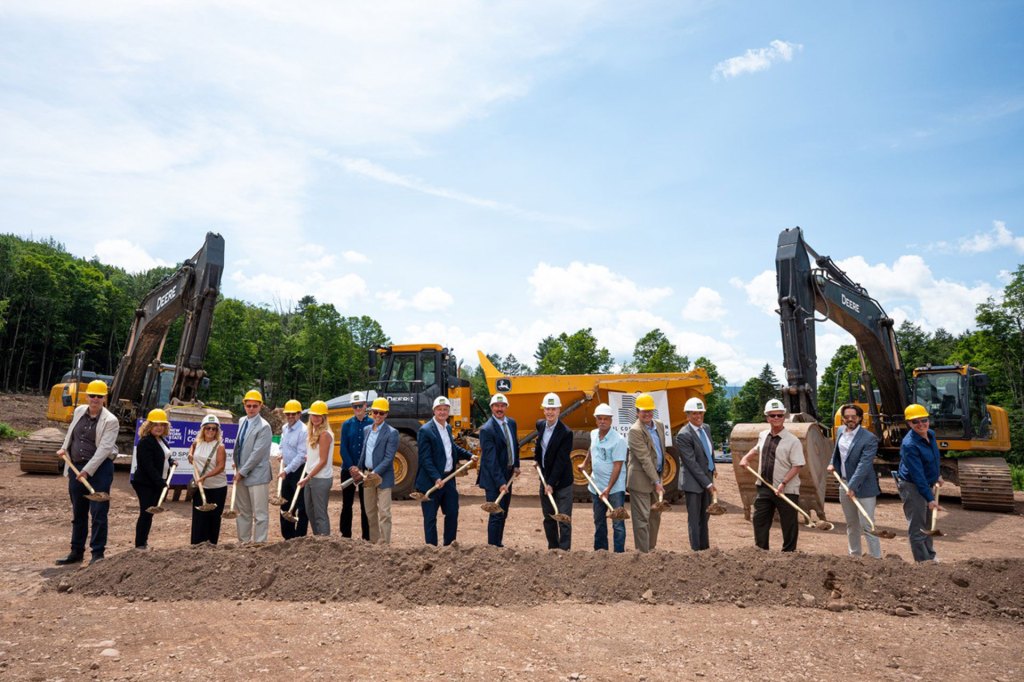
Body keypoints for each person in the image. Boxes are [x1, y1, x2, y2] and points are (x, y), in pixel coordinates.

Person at [55, 379, 119, 566]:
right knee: (79, 511)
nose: (95, 399)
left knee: (99, 512)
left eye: (99, 396)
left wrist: (87, 471)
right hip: (76, 467)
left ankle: (97, 554)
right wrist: (64, 448)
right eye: (92, 395)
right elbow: (71, 434)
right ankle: (76, 551)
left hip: (99, 470)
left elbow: (104, 450)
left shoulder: (111, 421)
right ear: (87, 396)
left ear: (104, 398)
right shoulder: (79, 411)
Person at [739, 399, 805, 552]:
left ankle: (788, 554)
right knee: (759, 520)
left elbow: (798, 465)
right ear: (767, 417)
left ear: (784, 417)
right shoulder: (763, 435)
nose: (776, 418)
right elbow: (756, 449)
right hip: (764, 487)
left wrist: (783, 483)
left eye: (779, 415)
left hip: (786, 489)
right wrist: (746, 458)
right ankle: (761, 552)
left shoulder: (793, 441)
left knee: (789, 524)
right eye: (772, 415)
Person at [415, 396, 476, 546]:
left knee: (452, 513)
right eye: (439, 409)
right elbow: (425, 458)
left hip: (448, 480)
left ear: (448, 412)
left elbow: (451, 447)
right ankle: (432, 549)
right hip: (431, 482)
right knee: (430, 518)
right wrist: (436, 477)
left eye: (445, 410)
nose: (442, 412)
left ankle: (449, 547)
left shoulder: (447, 427)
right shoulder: (425, 430)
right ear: (434, 411)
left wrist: (469, 455)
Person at [827, 403, 882, 558]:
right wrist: (832, 462)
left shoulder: (869, 438)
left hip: (864, 488)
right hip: (844, 484)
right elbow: (836, 451)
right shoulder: (840, 431)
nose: (850, 419)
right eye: (847, 417)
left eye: (854, 417)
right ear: (843, 418)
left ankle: (876, 558)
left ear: (859, 418)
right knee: (852, 524)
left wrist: (852, 486)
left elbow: (864, 465)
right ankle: (854, 556)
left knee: (867, 525)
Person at [896, 404, 943, 563]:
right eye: (915, 422)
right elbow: (917, 474)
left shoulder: (930, 434)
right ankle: (923, 563)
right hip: (912, 486)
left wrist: (937, 475)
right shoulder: (909, 444)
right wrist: (929, 498)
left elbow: (933, 459)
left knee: (929, 525)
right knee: (917, 527)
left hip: (925, 482)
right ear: (909, 423)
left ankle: (930, 556)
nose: (921, 424)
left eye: (924, 420)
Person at [580, 403, 627, 552]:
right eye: (599, 418)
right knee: (599, 521)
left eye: (606, 419)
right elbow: (591, 448)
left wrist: (608, 488)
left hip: (614, 489)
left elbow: (618, 466)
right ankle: (601, 552)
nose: (602, 421)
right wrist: (585, 463)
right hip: (596, 486)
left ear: (611, 420)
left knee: (617, 523)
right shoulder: (594, 434)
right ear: (596, 420)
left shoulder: (619, 440)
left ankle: (618, 554)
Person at [627, 392, 670, 553]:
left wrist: (659, 478)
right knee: (641, 518)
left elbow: (661, 451)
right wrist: (657, 482)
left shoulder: (658, 425)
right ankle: (642, 554)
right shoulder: (635, 431)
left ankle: (651, 550)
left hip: (656, 477)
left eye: (650, 411)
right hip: (640, 480)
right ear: (637, 412)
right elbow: (645, 458)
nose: (647, 414)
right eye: (644, 411)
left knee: (655, 516)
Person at [477, 393, 520, 547]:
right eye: (496, 406)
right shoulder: (487, 430)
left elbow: (515, 445)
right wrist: (500, 482)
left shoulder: (511, 423)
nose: (499, 409)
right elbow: (490, 460)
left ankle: (498, 544)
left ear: (506, 407)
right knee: (496, 513)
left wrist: (516, 465)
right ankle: (492, 549)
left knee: (504, 512)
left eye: (502, 406)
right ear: (491, 408)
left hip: (507, 474)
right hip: (494, 478)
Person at [353, 397, 398, 544]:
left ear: (386, 414)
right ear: (371, 413)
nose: (378, 415)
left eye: (381, 413)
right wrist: (359, 469)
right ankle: (374, 542)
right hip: (367, 475)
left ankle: (384, 545)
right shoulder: (367, 430)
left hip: (383, 477)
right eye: (375, 412)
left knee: (384, 512)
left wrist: (375, 472)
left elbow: (389, 457)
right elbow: (365, 452)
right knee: (370, 511)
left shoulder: (392, 433)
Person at [675, 397, 717, 551]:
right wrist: (708, 483)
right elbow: (691, 463)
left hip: (706, 478)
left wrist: (713, 468)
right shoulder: (684, 435)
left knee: (705, 517)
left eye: (701, 413)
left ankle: (705, 549)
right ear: (687, 416)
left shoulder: (706, 428)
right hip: (693, 483)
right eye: (694, 413)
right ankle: (696, 552)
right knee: (694, 519)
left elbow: (708, 451)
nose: (698, 416)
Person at [233, 389, 273, 543]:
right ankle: (243, 541)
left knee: (260, 513)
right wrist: (237, 464)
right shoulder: (242, 421)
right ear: (244, 405)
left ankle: (259, 544)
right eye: (248, 405)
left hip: (257, 475)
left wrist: (242, 471)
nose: (251, 408)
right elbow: (240, 445)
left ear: (260, 406)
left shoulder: (264, 426)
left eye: (254, 406)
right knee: (243, 511)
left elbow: (257, 454)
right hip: (241, 472)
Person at [535, 392, 574, 550]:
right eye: (547, 408)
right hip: (544, 479)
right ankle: (553, 548)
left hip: (562, 482)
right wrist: (537, 460)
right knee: (549, 517)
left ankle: (564, 552)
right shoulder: (540, 425)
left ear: (559, 410)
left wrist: (551, 483)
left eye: (553, 409)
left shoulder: (566, 433)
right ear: (543, 410)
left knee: (563, 518)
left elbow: (561, 460)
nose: (550, 412)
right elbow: (540, 447)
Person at [131, 408, 172, 550]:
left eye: (162, 425)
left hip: (155, 483)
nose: (159, 427)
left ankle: (144, 542)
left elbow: (162, 457)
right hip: (145, 483)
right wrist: (161, 483)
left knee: (149, 514)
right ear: (149, 426)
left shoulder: (160, 440)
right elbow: (148, 466)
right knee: (146, 512)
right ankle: (140, 544)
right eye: (156, 424)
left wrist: (171, 462)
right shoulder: (145, 442)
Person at [188, 413, 228, 545]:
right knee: (199, 519)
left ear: (217, 431)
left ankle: (211, 546)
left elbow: (221, 466)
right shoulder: (197, 442)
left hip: (216, 488)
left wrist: (205, 476)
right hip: (200, 488)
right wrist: (190, 455)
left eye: (214, 428)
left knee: (213, 519)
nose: (210, 431)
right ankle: (196, 546)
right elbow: (192, 448)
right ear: (203, 429)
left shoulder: (219, 446)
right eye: (208, 428)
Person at [339, 391, 371, 540]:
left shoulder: (372, 424)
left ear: (366, 405)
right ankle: (345, 535)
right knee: (347, 504)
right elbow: (343, 448)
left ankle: (366, 537)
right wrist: (352, 467)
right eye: (355, 406)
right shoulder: (347, 425)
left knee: (366, 505)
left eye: (360, 406)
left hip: (365, 471)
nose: (358, 409)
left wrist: (361, 469)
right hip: (348, 470)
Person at [300, 400, 334, 536]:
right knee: (310, 511)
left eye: (319, 416)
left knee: (320, 514)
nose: (315, 418)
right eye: (313, 415)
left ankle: (324, 542)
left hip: (320, 479)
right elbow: (316, 456)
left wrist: (308, 477)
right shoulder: (313, 432)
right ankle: (317, 539)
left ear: (324, 417)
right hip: (312, 477)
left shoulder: (325, 434)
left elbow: (323, 461)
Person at [277, 399, 308, 539]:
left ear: (299, 414)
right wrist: (280, 453)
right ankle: (287, 537)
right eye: (288, 414)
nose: (290, 416)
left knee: (301, 506)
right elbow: (283, 446)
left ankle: (299, 537)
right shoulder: (285, 428)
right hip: (287, 471)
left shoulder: (303, 431)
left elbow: (302, 455)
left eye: (293, 414)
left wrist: (287, 470)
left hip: (299, 472)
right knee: (285, 504)